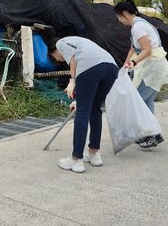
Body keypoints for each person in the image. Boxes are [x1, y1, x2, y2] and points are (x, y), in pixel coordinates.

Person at [47, 36, 118, 173]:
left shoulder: (60, 43)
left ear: (54, 50)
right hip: (111, 68)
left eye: (55, 57)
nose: (59, 60)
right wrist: (80, 100)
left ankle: (76, 160)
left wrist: (72, 81)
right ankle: (94, 154)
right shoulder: (81, 42)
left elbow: (73, 58)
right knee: (95, 108)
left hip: (91, 68)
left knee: (83, 112)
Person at [114, 0, 168, 148]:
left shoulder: (138, 27)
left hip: (152, 68)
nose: (119, 21)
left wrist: (133, 63)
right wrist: (125, 66)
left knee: (138, 102)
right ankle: (148, 134)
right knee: (147, 102)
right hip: (152, 67)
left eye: (119, 17)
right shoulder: (139, 24)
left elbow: (147, 49)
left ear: (125, 14)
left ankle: (153, 134)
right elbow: (133, 49)